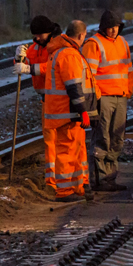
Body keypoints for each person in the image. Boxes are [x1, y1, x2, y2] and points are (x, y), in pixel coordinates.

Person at [42, 19, 96, 202]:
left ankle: (76, 187)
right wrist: (83, 111)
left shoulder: (61, 52)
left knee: (74, 149)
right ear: (81, 35)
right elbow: (74, 87)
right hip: (67, 111)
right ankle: (65, 192)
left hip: (63, 110)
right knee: (66, 150)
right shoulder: (69, 55)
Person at [82, 10, 133, 191]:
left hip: (120, 96)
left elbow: (128, 69)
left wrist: (128, 90)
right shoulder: (93, 44)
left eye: (116, 27)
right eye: (110, 27)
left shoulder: (122, 42)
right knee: (102, 137)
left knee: (117, 138)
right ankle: (100, 179)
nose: (113, 30)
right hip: (103, 97)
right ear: (103, 28)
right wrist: (94, 100)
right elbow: (88, 76)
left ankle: (110, 177)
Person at [14, 15, 62, 97]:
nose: (38, 38)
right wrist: (18, 58)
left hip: (58, 95)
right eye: (36, 35)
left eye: (40, 35)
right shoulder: (34, 47)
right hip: (45, 95)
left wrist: (30, 69)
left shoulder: (59, 45)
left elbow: (54, 67)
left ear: (48, 32)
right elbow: (23, 64)